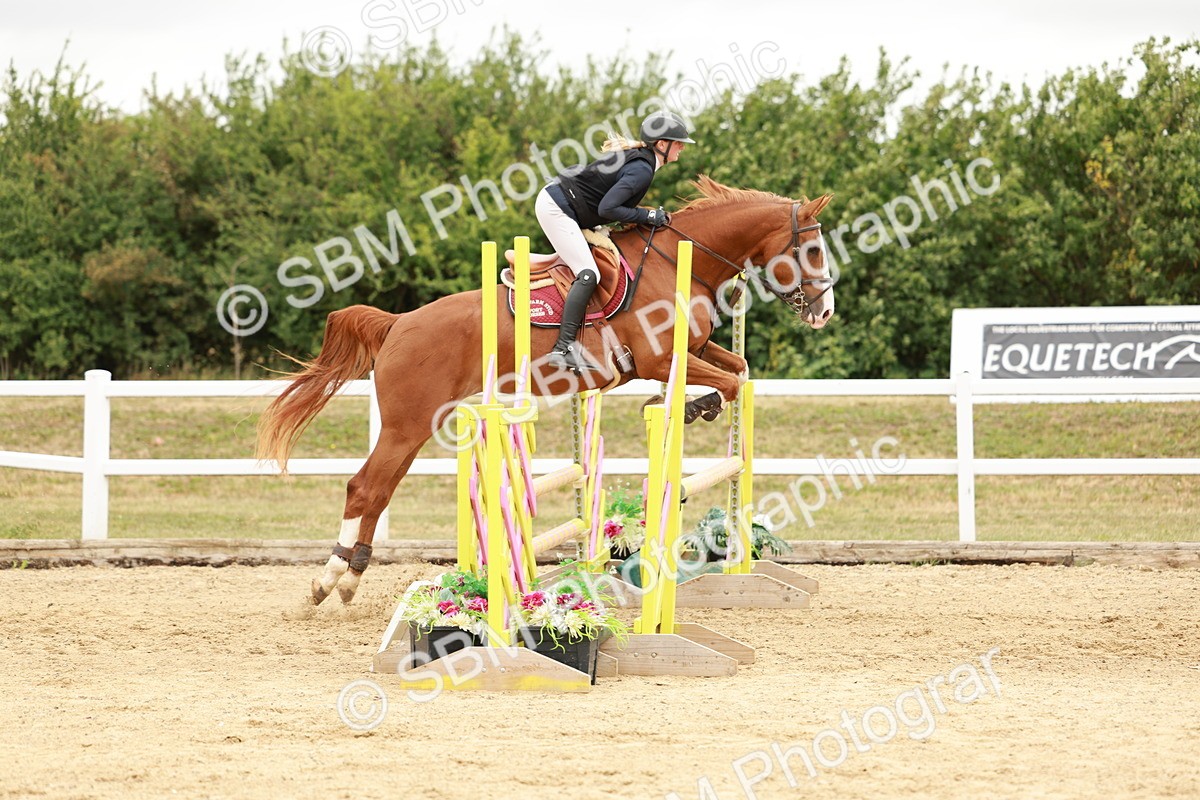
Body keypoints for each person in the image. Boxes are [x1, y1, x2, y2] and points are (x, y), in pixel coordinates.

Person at [535, 110, 694, 372]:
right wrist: (649, 215)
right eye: (678, 143)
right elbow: (609, 209)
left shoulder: (643, 162)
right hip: (557, 208)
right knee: (588, 274)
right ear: (662, 145)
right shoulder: (642, 169)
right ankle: (562, 348)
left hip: (572, 205)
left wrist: (644, 215)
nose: (681, 148)